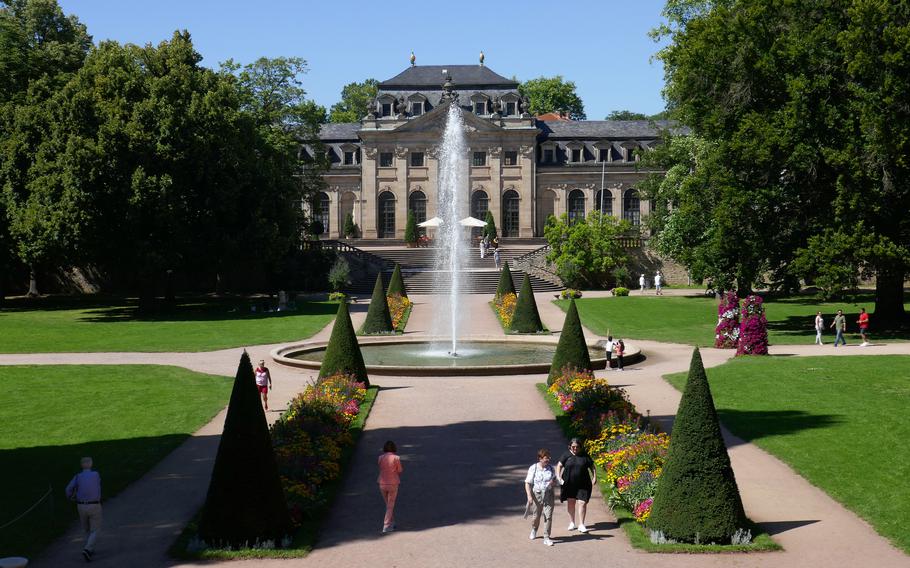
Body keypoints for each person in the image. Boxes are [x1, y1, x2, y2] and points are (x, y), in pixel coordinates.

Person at [66, 457, 102, 562]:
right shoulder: (96, 475)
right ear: (91, 464)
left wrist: (70, 497)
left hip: (81, 506)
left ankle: (90, 548)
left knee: (86, 529)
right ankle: (87, 548)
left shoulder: (77, 477)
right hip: (94, 505)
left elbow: (68, 489)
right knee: (95, 529)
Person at [556, 438, 595, 534]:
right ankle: (572, 522)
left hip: (583, 484)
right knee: (571, 502)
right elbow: (559, 465)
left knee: (582, 503)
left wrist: (594, 477)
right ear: (570, 446)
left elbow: (592, 466)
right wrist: (558, 476)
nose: (575, 448)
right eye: (573, 447)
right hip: (569, 483)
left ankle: (581, 524)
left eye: (577, 447)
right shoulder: (566, 455)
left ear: (580, 447)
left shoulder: (584, 455)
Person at [525, 448, 556, 546]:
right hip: (537, 495)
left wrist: (553, 483)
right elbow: (527, 483)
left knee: (548, 516)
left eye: (548, 458)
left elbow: (555, 481)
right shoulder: (533, 468)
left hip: (549, 495)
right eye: (546, 458)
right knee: (536, 516)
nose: (548, 460)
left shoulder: (551, 468)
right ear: (540, 458)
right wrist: (529, 496)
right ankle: (534, 529)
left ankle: (546, 537)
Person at [378, 440, 403, 533]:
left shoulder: (380, 458)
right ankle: (386, 525)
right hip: (393, 483)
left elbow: (380, 468)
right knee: (390, 505)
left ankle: (392, 522)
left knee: (388, 504)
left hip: (382, 483)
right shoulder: (396, 458)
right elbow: (400, 470)